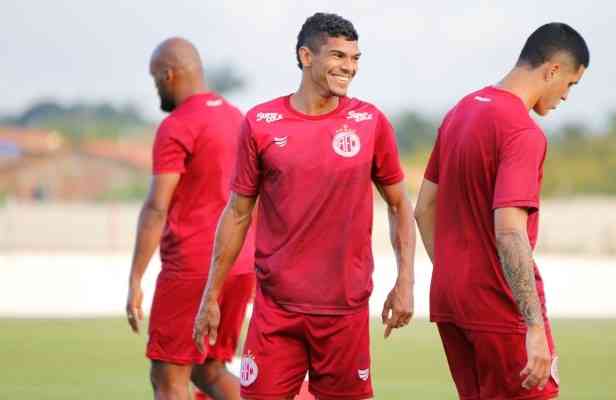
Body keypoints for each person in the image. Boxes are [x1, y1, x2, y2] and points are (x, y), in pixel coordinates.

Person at [193, 12, 415, 400]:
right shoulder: (261, 122)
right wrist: (210, 294)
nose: (349, 67)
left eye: (355, 58)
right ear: (306, 56)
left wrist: (406, 282)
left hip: (344, 313)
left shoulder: (370, 122)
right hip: (276, 312)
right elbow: (238, 213)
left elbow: (399, 205)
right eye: (338, 56)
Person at [414, 23, 589, 400]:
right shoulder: (522, 132)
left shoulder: (461, 111)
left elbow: (423, 208)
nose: (566, 96)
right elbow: (509, 231)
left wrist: (453, 273)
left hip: (450, 302)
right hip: (499, 306)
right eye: (571, 84)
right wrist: (535, 325)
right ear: (553, 70)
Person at [125, 37, 256, 400]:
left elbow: (156, 208)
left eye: (156, 81)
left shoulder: (177, 125)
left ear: (169, 75)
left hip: (193, 269)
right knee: (209, 370)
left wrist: (136, 279)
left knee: (168, 377)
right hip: (239, 266)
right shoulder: (238, 118)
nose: (157, 91)